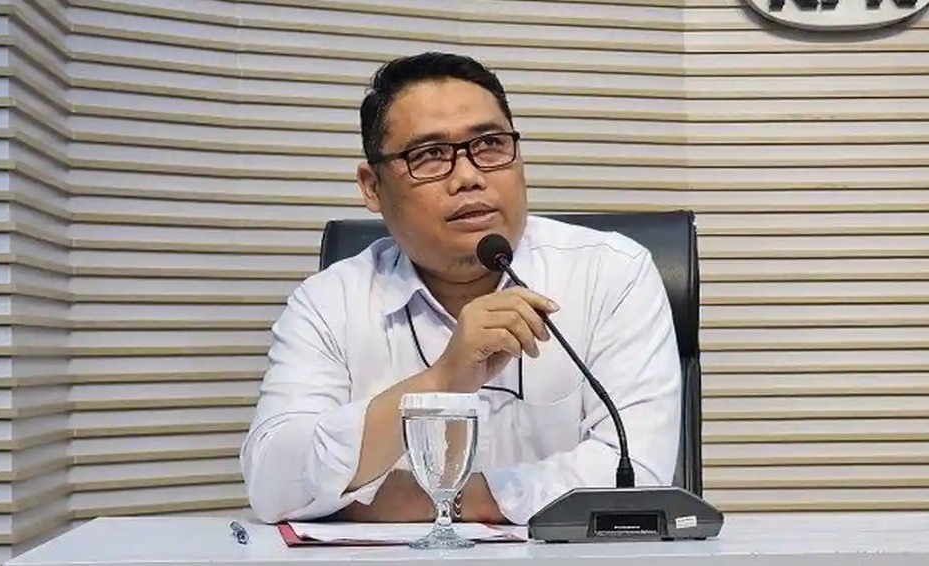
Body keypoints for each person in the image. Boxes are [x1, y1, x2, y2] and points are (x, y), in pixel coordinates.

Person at [240, 51, 682, 526]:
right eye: (430, 155)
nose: (469, 177)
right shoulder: (329, 303)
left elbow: (635, 476)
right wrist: (441, 382)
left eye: (490, 144)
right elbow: (272, 482)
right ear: (372, 187)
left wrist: (435, 500)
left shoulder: (610, 274)